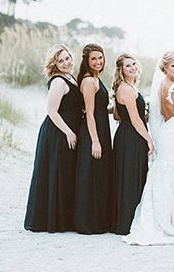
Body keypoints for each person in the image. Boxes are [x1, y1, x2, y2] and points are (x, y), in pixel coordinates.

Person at [123, 51, 174, 245]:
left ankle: (164, 216)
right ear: (164, 67)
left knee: (165, 172)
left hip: (167, 131)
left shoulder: (161, 85)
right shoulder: (173, 88)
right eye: (173, 65)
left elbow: (160, 112)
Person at [24, 44, 83, 232]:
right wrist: (69, 132)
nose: (66, 63)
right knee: (56, 172)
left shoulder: (71, 78)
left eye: (67, 58)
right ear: (54, 64)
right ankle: (51, 220)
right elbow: (51, 111)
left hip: (68, 130)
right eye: (61, 61)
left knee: (65, 173)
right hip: (58, 132)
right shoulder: (58, 81)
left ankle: (63, 218)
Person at [73, 43, 114, 234]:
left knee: (99, 174)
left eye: (100, 58)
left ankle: (98, 219)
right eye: (94, 59)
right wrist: (95, 141)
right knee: (90, 174)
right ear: (87, 61)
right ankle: (87, 222)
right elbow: (89, 113)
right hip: (92, 132)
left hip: (101, 128)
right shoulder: (89, 81)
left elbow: (99, 108)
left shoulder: (97, 79)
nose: (98, 62)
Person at [112, 53, 154, 235]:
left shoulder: (127, 87)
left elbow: (116, 115)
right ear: (121, 70)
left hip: (127, 133)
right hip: (131, 136)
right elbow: (135, 120)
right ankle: (127, 222)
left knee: (131, 175)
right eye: (128, 66)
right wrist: (149, 139)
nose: (132, 68)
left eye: (134, 64)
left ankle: (128, 219)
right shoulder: (126, 89)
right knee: (130, 177)